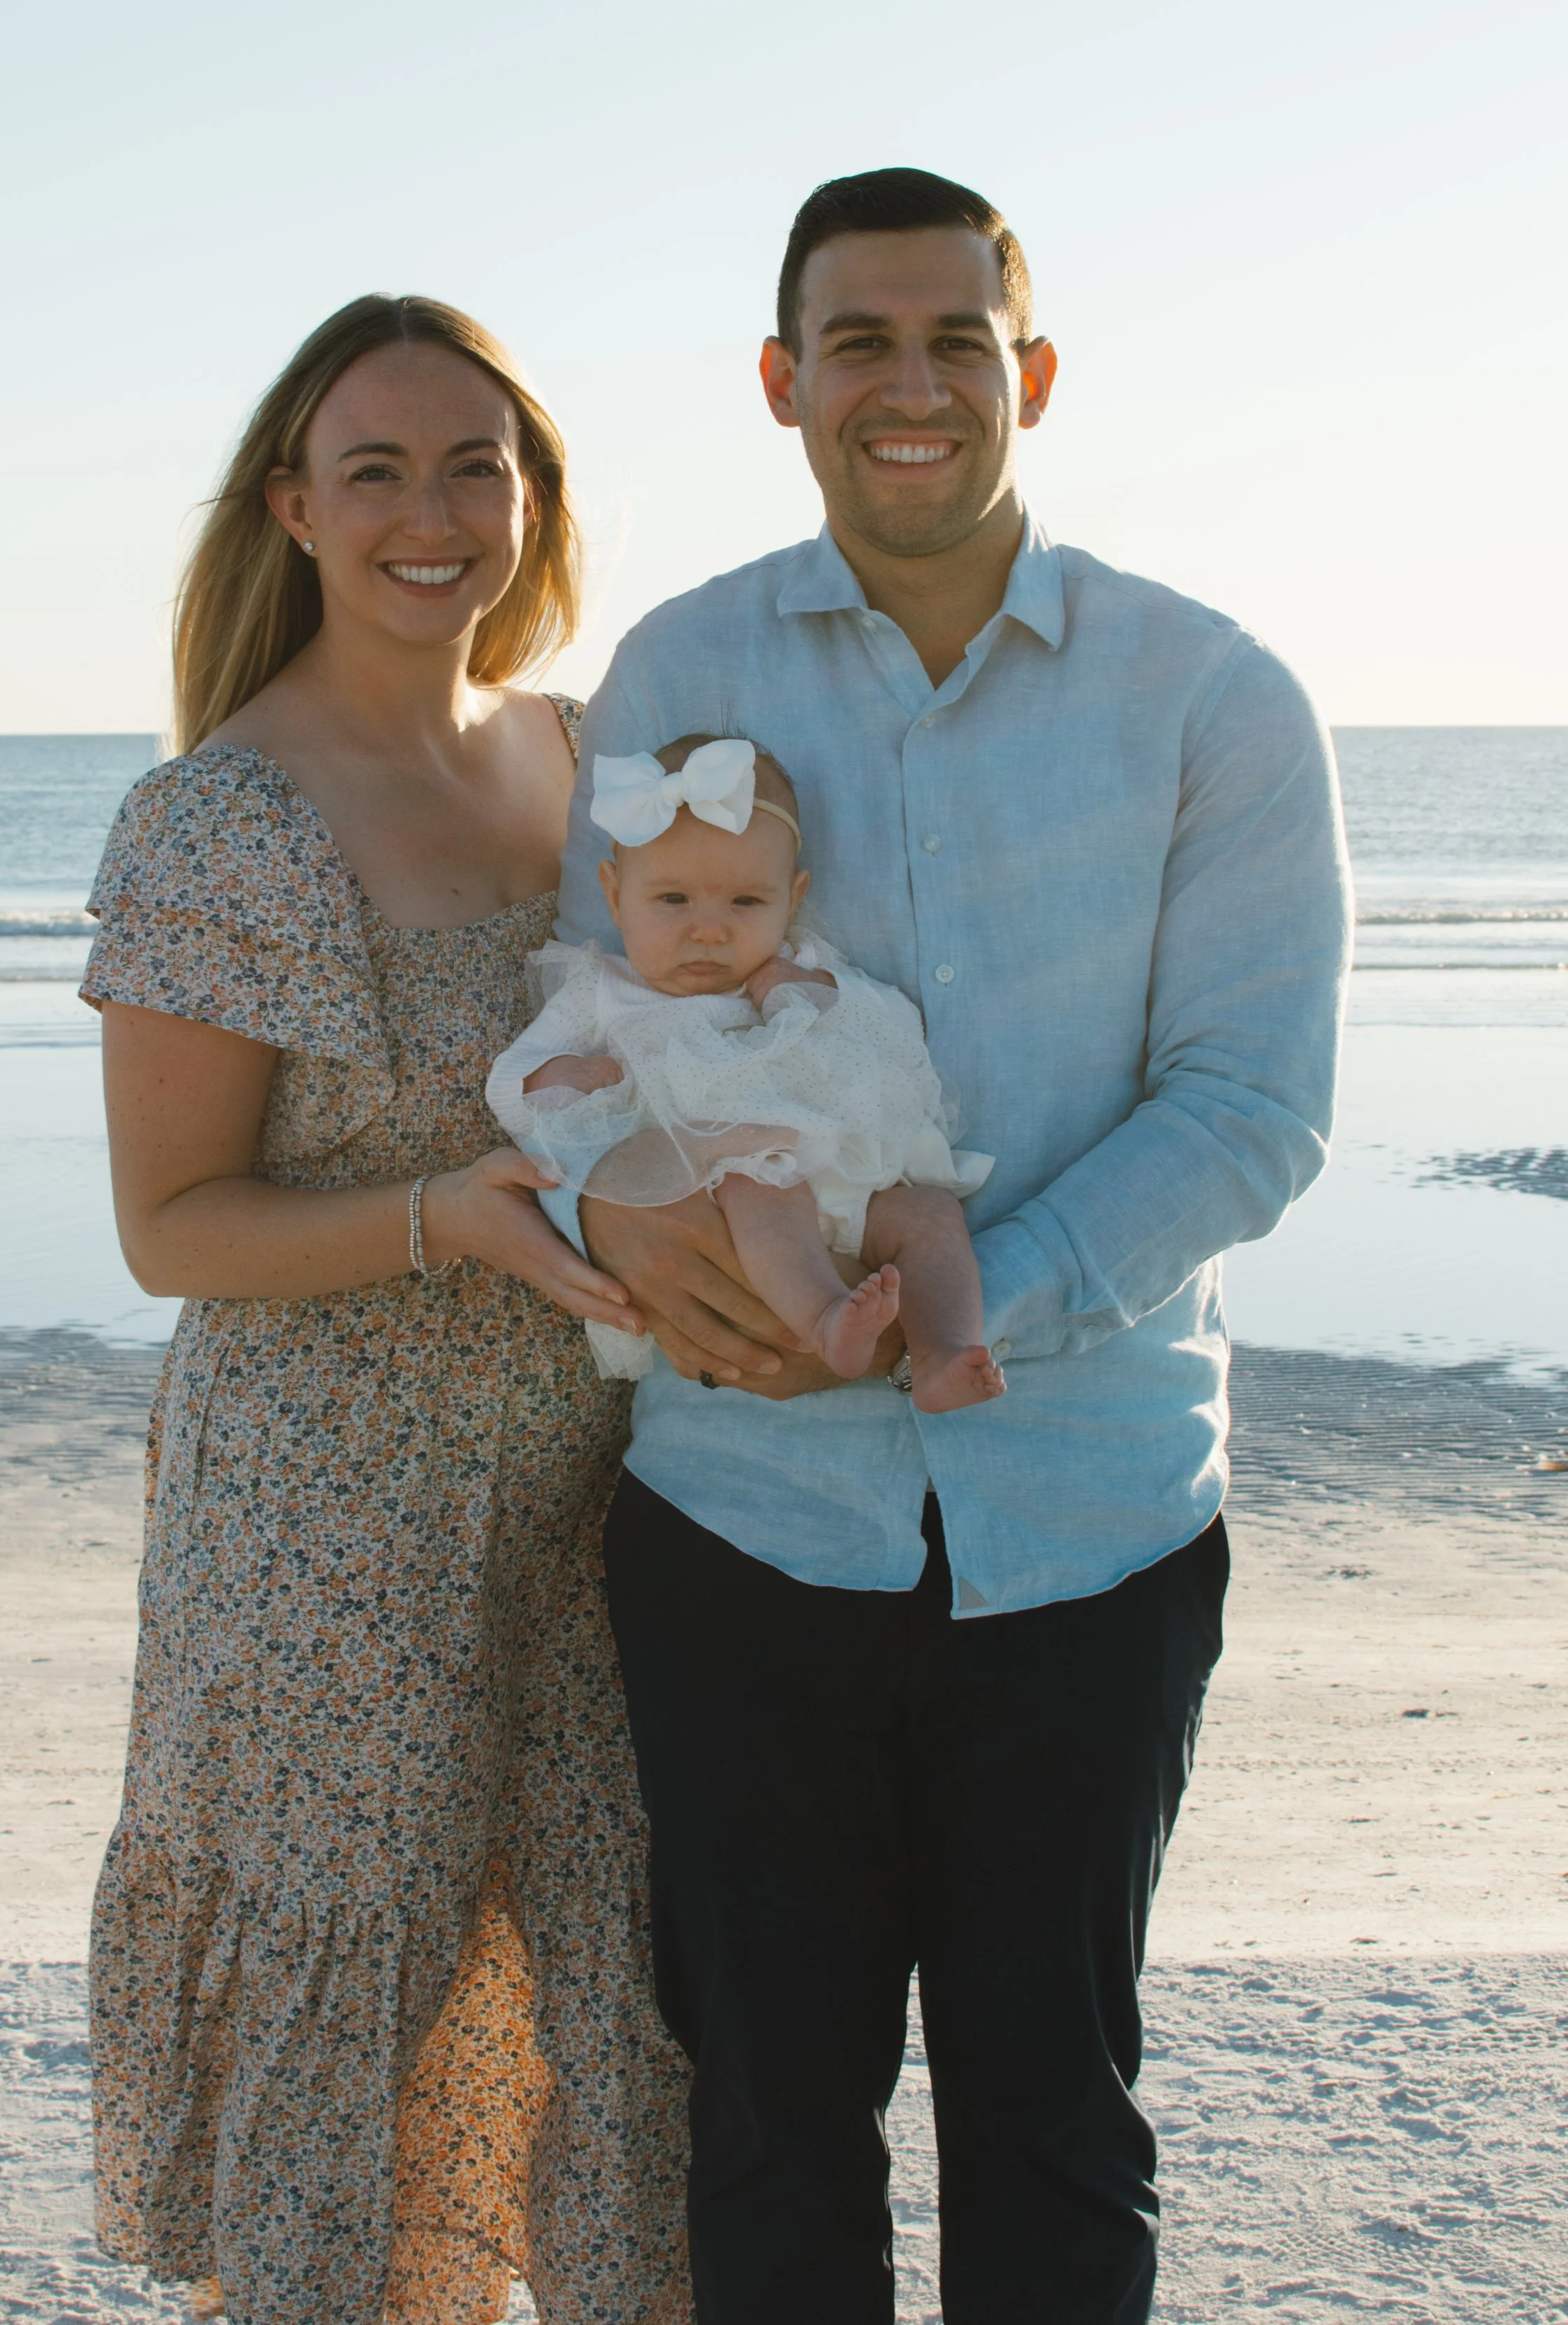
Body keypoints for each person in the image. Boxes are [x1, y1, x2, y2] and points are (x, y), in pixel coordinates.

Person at [553, 170, 1353, 2322]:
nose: (905, 384)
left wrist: (962, 1307)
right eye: (857, 341)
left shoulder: (1211, 693)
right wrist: (645, 1232)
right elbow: (586, 1024)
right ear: (779, 380)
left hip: (1085, 1524)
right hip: (738, 1524)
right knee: (763, 2113)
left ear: (1031, 372)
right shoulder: (675, 663)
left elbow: (1246, 1104)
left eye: (952, 340)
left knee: (1050, 2113)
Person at [80, 293, 690, 2325]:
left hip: (592, 1511)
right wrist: (443, 1216)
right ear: (294, 506)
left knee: (617, 2010)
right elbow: (170, 1225)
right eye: (377, 469)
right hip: (323, 1539)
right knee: (347, 2035)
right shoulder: (221, 816)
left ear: (533, 493)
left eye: (473, 464)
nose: (432, 513)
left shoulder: (587, 757)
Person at [485, 733, 1001, 1409]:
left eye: (746, 904)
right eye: (672, 900)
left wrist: (812, 989)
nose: (709, 930)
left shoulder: (798, 963)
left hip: (847, 1183)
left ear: (793, 897)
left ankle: (944, 1352)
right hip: (732, 1192)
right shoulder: (600, 992)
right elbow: (508, 1085)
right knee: (760, 1181)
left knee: (929, 1215)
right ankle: (824, 1318)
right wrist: (559, 1078)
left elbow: (897, 1030)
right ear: (615, 895)